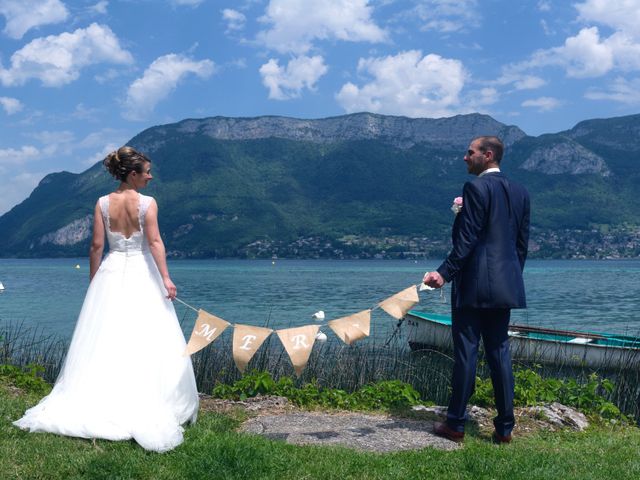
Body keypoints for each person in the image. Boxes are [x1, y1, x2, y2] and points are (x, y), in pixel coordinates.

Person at [14, 146, 199, 452]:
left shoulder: (101, 203)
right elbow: (154, 241)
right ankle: (149, 398)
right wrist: (166, 277)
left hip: (110, 274)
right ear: (132, 174)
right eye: (147, 172)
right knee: (147, 336)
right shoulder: (148, 204)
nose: (151, 177)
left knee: (106, 337)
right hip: (143, 273)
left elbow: (96, 246)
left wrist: (94, 280)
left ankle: (100, 397)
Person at [423, 136, 529, 444]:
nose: (465, 157)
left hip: (473, 286)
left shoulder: (475, 189)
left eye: (470, 152)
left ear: (488, 155)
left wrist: (443, 274)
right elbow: (521, 246)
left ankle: (455, 423)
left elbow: (466, 241)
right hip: (505, 286)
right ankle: (505, 429)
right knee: (500, 353)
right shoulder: (522, 193)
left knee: (466, 353)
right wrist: (508, 278)